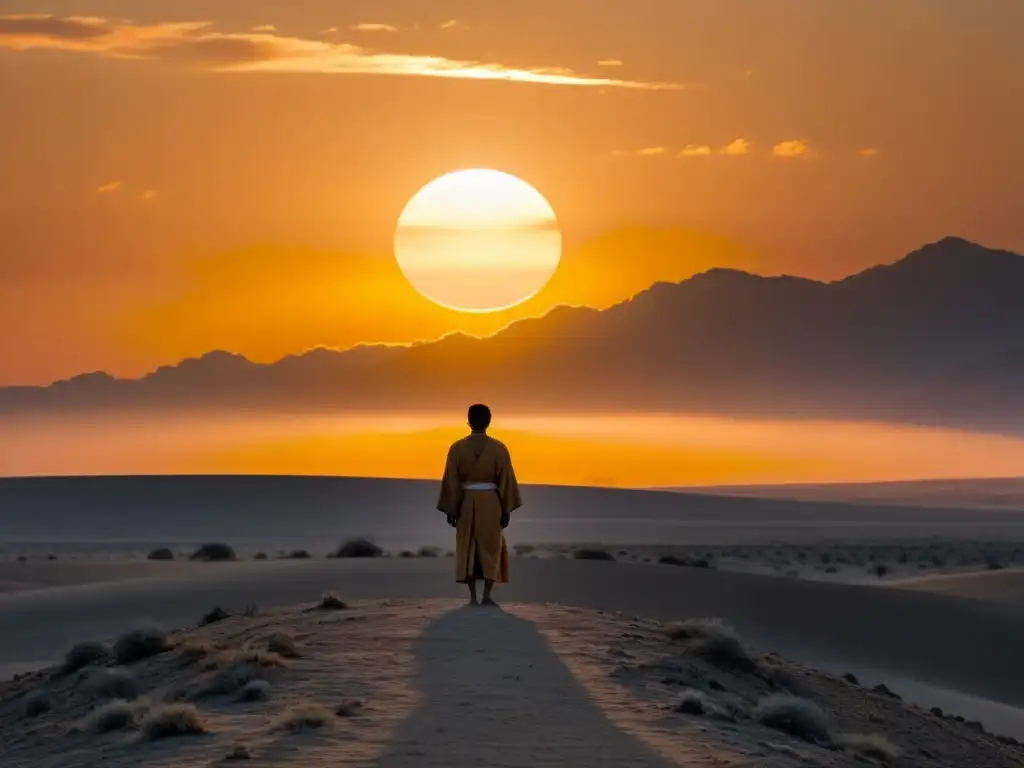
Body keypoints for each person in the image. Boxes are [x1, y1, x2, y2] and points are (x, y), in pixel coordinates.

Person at [436, 403, 522, 606]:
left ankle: (473, 597)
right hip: (491, 503)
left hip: (466, 502)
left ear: (468, 420)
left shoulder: (457, 448)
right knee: (491, 547)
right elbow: (506, 481)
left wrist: (451, 509)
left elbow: (452, 481)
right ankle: (487, 596)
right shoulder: (499, 448)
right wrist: (506, 509)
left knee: (468, 546)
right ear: (489, 421)